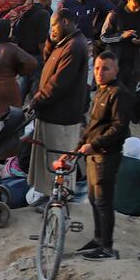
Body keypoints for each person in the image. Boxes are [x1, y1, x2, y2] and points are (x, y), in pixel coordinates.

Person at [27, 12, 90, 197]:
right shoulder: (65, 44)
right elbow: (48, 60)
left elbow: (59, 83)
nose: (52, 30)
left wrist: (37, 100)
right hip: (52, 113)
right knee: (49, 159)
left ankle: (58, 198)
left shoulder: (74, 47)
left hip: (62, 116)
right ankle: (49, 196)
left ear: (65, 21)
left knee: (58, 160)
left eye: (54, 26)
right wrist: (51, 39)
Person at [77, 51, 133, 259]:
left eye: (106, 68)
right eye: (98, 68)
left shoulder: (119, 93)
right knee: (93, 198)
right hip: (93, 153)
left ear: (116, 70)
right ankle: (98, 238)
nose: (100, 72)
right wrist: (81, 145)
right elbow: (93, 124)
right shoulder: (101, 91)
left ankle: (107, 247)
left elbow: (119, 127)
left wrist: (95, 144)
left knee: (103, 200)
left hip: (107, 155)